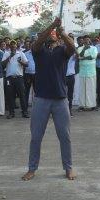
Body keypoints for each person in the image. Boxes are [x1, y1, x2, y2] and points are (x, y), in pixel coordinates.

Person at [22, 17, 75, 181]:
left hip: (60, 99)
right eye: (49, 33)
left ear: (58, 37)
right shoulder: (38, 52)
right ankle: (32, 168)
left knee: (65, 136)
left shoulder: (63, 51)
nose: (51, 34)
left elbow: (73, 47)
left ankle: (68, 168)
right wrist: (52, 25)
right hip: (41, 99)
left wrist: (63, 33)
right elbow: (37, 42)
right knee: (36, 137)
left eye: (53, 33)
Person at [2, 40, 29, 118]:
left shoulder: (21, 53)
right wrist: (10, 57)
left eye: (14, 45)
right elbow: (2, 65)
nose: (13, 46)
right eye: (11, 45)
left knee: (22, 95)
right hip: (9, 78)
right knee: (10, 95)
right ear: (9, 46)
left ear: (16, 46)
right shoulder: (6, 54)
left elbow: (27, 64)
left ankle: (24, 112)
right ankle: (11, 113)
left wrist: (21, 62)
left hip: (19, 78)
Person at [77, 35, 97, 110]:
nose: (86, 41)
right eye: (85, 40)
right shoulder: (80, 48)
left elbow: (93, 56)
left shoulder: (94, 48)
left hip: (91, 71)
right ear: (83, 41)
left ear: (90, 40)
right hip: (82, 71)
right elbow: (79, 56)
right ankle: (82, 105)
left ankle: (91, 105)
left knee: (91, 88)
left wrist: (83, 58)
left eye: (88, 39)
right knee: (82, 89)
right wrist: (84, 49)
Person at [66, 36, 77, 114]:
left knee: (70, 94)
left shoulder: (74, 52)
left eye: (71, 41)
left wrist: (73, 46)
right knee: (61, 94)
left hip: (70, 75)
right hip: (61, 76)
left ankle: (69, 109)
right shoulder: (62, 50)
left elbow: (78, 56)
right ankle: (62, 110)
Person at [23, 43, 36, 107]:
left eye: (34, 45)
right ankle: (25, 107)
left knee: (37, 91)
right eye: (32, 45)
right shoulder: (26, 53)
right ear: (30, 46)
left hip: (36, 74)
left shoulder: (38, 53)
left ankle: (37, 106)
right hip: (27, 74)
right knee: (26, 91)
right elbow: (24, 64)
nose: (33, 46)